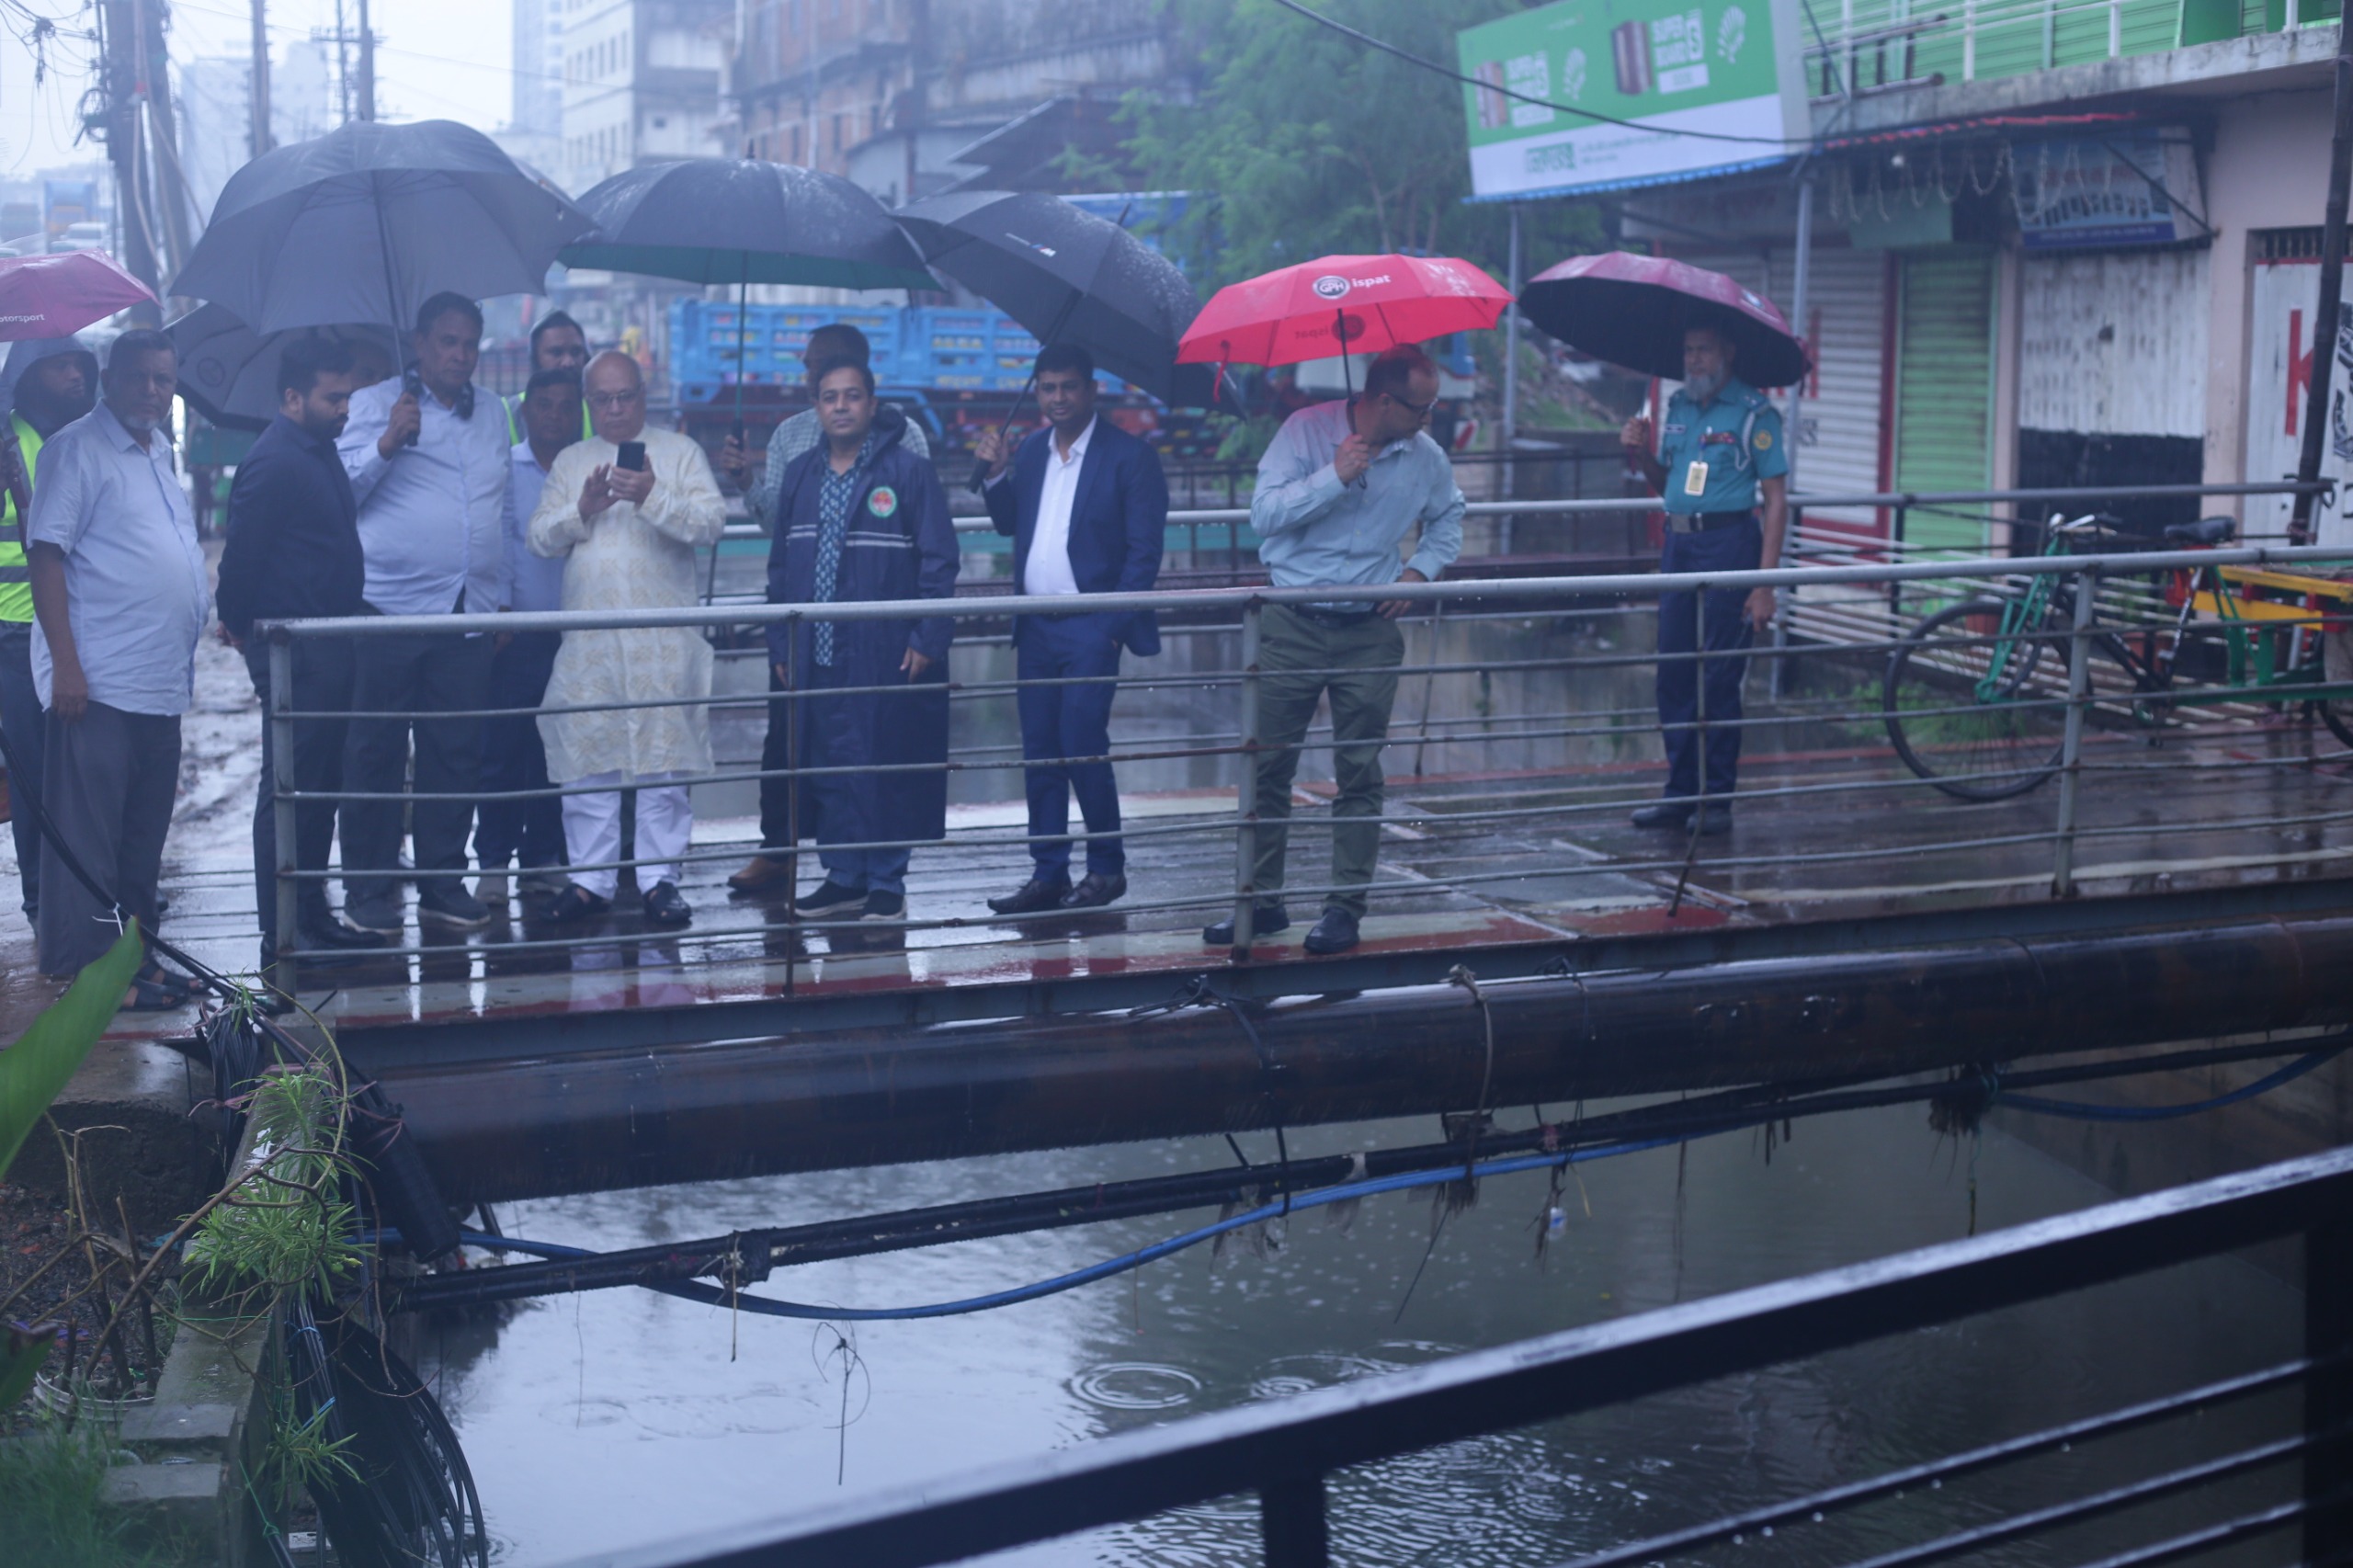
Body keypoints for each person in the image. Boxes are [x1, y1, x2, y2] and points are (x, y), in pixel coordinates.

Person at [1213, 346, 1464, 957]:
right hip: (1290, 621)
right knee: (1267, 766)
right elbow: (1264, 516)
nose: (1429, 418)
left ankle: (1344, 908)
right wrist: (1335, 476)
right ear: (1385, 402)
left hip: (1368, 628)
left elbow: (1449, 517)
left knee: (1358, 770)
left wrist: (1419, 574)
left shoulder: (1425, 456)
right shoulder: (1304, 432)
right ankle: (1261, 901)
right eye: (1420, 407)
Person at [25, 330, 208, 1005]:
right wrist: (66, 666)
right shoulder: (75, 449)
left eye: (164, 380)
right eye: (139, 378)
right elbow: (46, 556)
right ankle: (94, 978)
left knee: (140, 842)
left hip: (157, 682)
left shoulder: (159, 451)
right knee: (89, 843)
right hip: (97, 683)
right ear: (110, 379)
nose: (152, 392)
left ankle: (139, 961)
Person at [720, 321, 931, 894]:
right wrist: (745, 481)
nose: (808, 373)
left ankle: (878, 878)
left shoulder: (905, 438)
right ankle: (785, 852)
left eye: (816, 363)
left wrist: (921, 627)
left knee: (874, 748)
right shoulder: (792, 436)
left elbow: (923, 528)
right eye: (817, 376)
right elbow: (779, 530)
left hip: (875, 628)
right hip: (805, 626)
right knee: (789, 742)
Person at [528, 352, 725, 926]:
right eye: (602, 399)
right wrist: (581, 509)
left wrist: (652, 495)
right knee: (589, 761)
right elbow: (538, 538)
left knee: (664, 762)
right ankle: (590, 881)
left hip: (663, 640)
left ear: (643, 393)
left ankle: (660, 880)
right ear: (588, 403)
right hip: (590, 642)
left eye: (625, 396)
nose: (615, 409)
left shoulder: (680, 452)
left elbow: (711, 524)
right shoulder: (572, 460)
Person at [335, 291, 510, 934]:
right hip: (389, 606)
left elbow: (502, 506)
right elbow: (338, 493)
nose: (460, 355)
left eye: (469, 344)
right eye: (447, 342)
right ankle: (368, 888)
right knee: (374, 751)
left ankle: (443, 881)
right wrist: (387, 442)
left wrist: (502, 595)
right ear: (419, 344)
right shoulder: (374, 403)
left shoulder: (492, 412)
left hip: (469, 611)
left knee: (455, 751)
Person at [973, 344, 1168, 914]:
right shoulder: (1032, 451)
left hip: (1091, 625)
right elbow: (1010, 524)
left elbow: (1144, 554)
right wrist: (995, 475)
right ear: (1037, 390)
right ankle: (1049, 872)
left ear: (1091, 389)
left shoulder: (1130, 457)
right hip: (1035, 624)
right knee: (1040, 751)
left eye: (1068, 387)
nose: (1058, 398)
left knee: (1082, 743)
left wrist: (1110, 628)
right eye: (1048, 387)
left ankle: (1106, 868)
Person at [766, 356, 958, 923]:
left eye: (852, 396)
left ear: (872, 405)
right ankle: (843, 875)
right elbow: (779, 569)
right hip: (815, 648)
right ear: (816, 407)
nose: (841, 407)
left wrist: (928, 637)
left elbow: (940, 560)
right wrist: (781, 643)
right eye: (830, 397)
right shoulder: (800, 474)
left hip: (884, 647)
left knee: (885, 762)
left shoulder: (907, 472)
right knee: (828, 765)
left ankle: (886, 881)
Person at [216, 338, 386, 971]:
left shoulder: (316, 449)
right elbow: (240, 561)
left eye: (347, 396)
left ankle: (311, 913)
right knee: (288, 791)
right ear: (293, 397)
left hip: (328, 645)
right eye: (333, 397)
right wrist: (241, 626)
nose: (345, 408)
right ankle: (281, 931)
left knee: (319, 790)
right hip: (294, 653)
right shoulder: (274, 460)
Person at [1618, 317, 1789, 835]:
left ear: (1728, 353)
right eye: (1689, 350)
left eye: (1705, 350)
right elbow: (1667, 482)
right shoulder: (1677, 407)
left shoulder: (1754, 413)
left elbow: (1776, 500)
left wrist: (1765, 584)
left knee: (1718, 675)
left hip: (1729, 543)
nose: (1694, 360)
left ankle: (1715, 799)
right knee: (1672, 671)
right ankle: (1680, 794)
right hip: (1679, 545)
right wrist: (1639, 451)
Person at [0, 335, 98, 925]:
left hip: (78, 621)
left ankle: (94, 888)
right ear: (29, 375)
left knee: (87, 767)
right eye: (59, 366)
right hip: (14, 626)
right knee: (35, 773)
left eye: (79, 364)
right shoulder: (7, 438)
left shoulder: (85, 435)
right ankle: (43, 900)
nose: (74, 375)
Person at [474, 368, 583, 903]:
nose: (554, 416)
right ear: (525, 412)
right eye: (544, 405)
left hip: (575, 632)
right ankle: (493, 862)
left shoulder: (587, 469)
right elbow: (499, 542)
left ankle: (543, 858)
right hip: (516, 631)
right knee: (503, 750)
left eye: (566, 406)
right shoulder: (507, 467)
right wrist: (501, 610)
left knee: (556, 752)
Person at [504, 310, 590, 443]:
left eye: (576, 352)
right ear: (535, 359)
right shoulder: (505, 413)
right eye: (556, 352)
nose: (568, 362)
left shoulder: (598, 410)